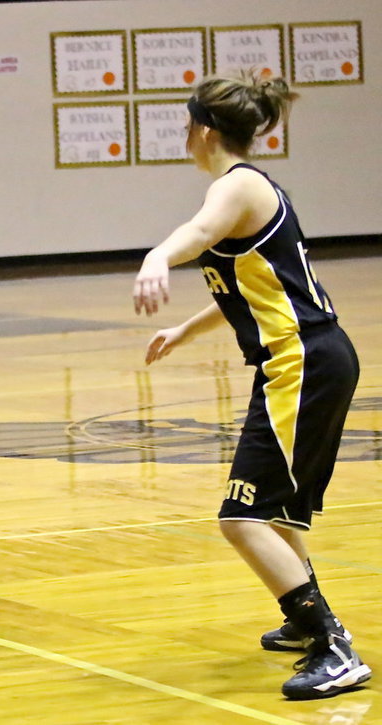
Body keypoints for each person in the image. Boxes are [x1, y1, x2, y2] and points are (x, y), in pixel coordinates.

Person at [132, 72, 371, 700]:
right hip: (311, 357)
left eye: (187, 125)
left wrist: (158, 255)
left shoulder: (236, 187)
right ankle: (303, 619)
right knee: (282, 511)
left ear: (204, 130)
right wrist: (186, 328)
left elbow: (200, 236)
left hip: (303, 362)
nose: (186, 135)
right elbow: (252, 284)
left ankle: (332, 646)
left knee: (242, 517)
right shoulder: (246, 189)